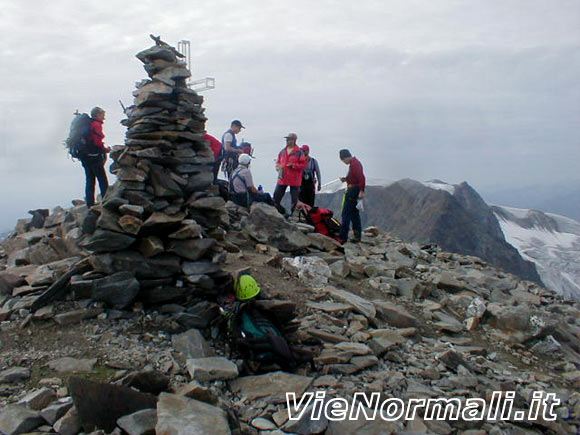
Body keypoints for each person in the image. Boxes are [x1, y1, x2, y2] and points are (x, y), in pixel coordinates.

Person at [82, 107, 110, 208]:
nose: (104, 117)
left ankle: (90, 205)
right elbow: (97, 142)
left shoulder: (88, 124)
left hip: (84, 156)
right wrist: (104, 149)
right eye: (102, 114)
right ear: (97, 115)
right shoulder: (96, 125)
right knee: (102, 180)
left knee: (90, 180)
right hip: (94, 156)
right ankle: (107, 202)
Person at [273, 133, 306, 216]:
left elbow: (303, 165)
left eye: (289, 139)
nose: (287, 141)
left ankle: (292, 216)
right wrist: (277, 167)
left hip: (294, 179)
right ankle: (281, 212)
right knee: (276, 197)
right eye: (287, 139)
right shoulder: (282, 151)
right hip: (282, 178)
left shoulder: (299, 152)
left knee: (294, 201)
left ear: (294, 140)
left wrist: (294, 165)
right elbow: (278, 162)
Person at [338, 149, 365, 243]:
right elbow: (355, 178)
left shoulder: (355, 164)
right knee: (354, 214)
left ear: (345, 157)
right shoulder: (354, 163)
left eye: (343, 160)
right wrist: (346, 179)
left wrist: (362, 190)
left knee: (346, 213)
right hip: (354, 189)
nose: (343, 162)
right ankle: (357, 236)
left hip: (353, 190)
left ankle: (343, 237)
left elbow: (361, 178)